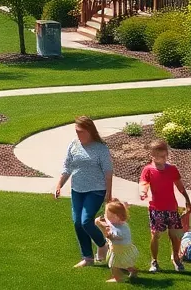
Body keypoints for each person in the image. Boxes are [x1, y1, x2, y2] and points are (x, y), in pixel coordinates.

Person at [54, 115, 114, 268]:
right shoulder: (73, 145)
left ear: (89, 131)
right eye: (76, 131)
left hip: (96, 190)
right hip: (77, 190)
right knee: (77, 223)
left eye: (80, 131)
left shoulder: (101, 148)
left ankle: (102, 245)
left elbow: (108, 171)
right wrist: (59, 184)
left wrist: (109, 192)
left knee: (86, 221)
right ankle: (87, 257)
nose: (77, 134)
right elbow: (67, 167)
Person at [139, 138, 191, 272]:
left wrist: (187, 200)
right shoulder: (148, 170)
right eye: (158, 156)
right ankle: (154, 261)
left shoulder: (172, 169)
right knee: (156, 235)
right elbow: (144, 183)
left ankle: (176, 258)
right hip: (156, 208)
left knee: (175, 235)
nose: (162, 159)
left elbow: (180, 187)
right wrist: (143, 192)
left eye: (164, 156)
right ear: (152, 156)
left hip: (172, 208)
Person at [94, 199, 139, 283]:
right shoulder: (118, 221)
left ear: (117, 216)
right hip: (125, 248)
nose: (107, 218)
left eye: (109, 216)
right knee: (125, 263)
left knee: (113, 265)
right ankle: (133, 271)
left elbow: (109, 236)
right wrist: (103, 220)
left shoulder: (119, 230)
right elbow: (108, 222)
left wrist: (100, 225)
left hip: (119, 249)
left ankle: (117, 278)